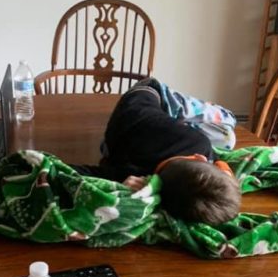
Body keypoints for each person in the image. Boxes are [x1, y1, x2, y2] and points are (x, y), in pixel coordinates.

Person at [73, 78, 241, 225]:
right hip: (151, 91)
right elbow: (79, 173)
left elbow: (71, 172)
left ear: (199, 157)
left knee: (227, 137)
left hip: (136, 119)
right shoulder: (128, 172)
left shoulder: (198, 144)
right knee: (228, 130)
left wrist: (225, 171)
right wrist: (118, 185)